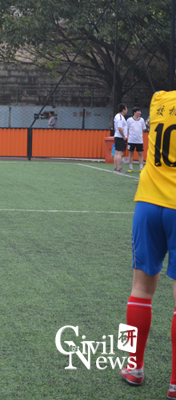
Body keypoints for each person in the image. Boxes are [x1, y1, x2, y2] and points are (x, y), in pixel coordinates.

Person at [118, 91, 176, 399]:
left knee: (139, 290)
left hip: (148, 203)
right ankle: (175, 382)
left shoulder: (159, 99)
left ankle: (133, 366)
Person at [126, 106, 145, 173]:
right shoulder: (129, 120)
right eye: (138, 111)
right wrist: (127, 136)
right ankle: (131, 168)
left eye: (140, 111)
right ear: (134, 112)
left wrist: (140, 135)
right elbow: (127, 129)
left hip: (139, 140)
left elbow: (143, 129)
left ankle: (141, 168)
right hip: (131, 140)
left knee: (140, 153)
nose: (140, 113)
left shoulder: (142, 120)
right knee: (131, 153)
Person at [113, 103, 128, 174]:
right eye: (126, 109)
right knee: (120, 153)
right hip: (120, 137)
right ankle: (118, 168)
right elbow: (119, 128)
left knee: (117, 153)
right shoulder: (120, 118)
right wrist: (124, 136)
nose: (127, 110)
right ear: (123, 110)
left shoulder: (117, 116)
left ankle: (116, 168)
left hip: (117, 136)